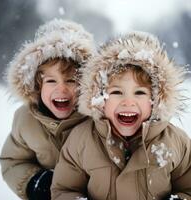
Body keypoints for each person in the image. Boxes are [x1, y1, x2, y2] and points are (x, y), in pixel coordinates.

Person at [51, 31, 191, 200]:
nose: (128, 102)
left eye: (139, 92)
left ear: (156, 100)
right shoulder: (82, 140)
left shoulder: (176, 142)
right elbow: (64, 189)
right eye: (117, 92)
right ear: (100, 98)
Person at [0, 18, 96, 200]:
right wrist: (35, 182)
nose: (61, 89)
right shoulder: (26, 120)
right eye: (51, 81)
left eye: (71, 80)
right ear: (37, 85)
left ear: (86, 84)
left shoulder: (97, 118)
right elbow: (13, 161)